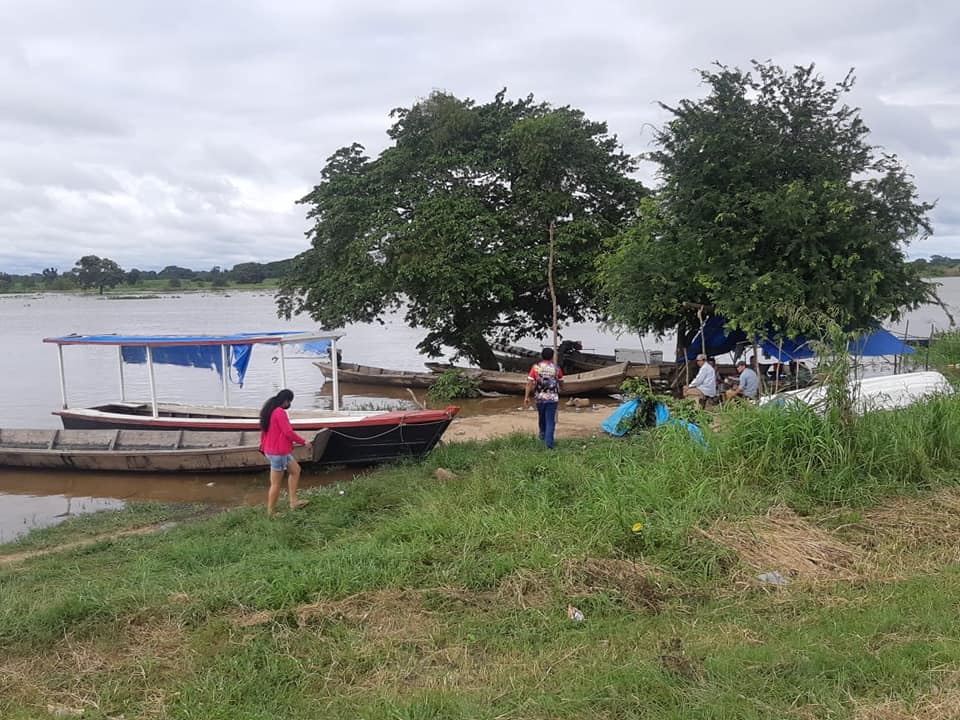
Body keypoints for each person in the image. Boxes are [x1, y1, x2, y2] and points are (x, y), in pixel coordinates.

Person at [259, 389, 310, 516]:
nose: (290, 404)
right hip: (278, 453)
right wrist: (303, 442)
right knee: (275, 484)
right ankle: (271, 513)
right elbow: (288, 432)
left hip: (276, 450)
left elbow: (264, 431)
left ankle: (294, 502)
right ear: (286, 401)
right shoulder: (279, 412)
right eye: (290, 401)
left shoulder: (269, 410)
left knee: (296, 470)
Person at [523, 348, 564, 449]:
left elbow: (529, 383)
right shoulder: (556, 368)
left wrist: (526, 397)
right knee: (550, 421)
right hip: (552, 398)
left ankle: (542, 437)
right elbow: (561, 380)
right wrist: (561, 388)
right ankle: (549, 444)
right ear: (552, 356)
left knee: (542, 418)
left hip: (539, 398)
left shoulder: (536, 367)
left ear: (542, 356)